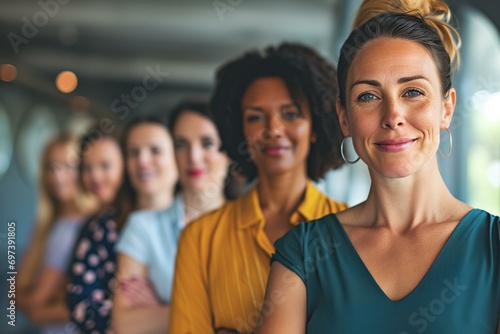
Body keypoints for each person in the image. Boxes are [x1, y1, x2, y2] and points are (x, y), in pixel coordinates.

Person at [255, 1, 500, 333]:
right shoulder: (303, 251)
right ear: (344, 118)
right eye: (368, 97)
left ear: (446, 108)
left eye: (413, 92)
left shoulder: (494, 246)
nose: (392, 116)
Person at [170, 43, 348, 334]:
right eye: (255, 117)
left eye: (290, 114)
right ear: (238, 130)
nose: (273, 129)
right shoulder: (200, 239)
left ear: (315, 127)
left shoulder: (355, 231)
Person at [112, 102, 229, 334]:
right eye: (181, 144)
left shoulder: (255, 223)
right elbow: (126, 325)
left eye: (207, 143)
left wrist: (166, 311)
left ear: (229, 152)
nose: (193, 157)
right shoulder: (143, 227)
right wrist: (218, 315)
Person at [16, 134, 97, 334]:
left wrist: (39, 301)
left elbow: (35, 304)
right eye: (52, 167)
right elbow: (16, 294)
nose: (59, 176)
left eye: (68, 166)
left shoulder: (90, 225)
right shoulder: (46, 225)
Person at [66, 127, 127, 333]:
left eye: (105, 165)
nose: (95, 176)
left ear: (124, 165)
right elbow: (79, 301)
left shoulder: (135, 220)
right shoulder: (93, 224)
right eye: (87, 167)